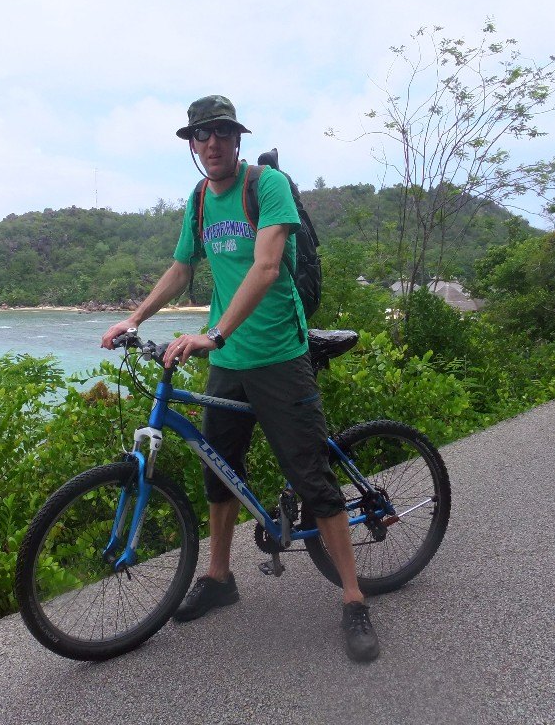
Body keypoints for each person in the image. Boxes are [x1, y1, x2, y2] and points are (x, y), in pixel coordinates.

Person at [100, 95, 379, 662]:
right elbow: (182, 268)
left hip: (276, 353)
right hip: (227, 363)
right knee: (218, 473)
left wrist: (215, 334)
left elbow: (267, 266)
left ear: (237, 139)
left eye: (222, 133)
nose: (212, 144)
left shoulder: (266, 186)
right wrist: (134, 318)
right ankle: (221, 578)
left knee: (311, 477)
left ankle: (353, 599)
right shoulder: (199, 200)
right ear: (192, 145)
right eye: (201, 136)